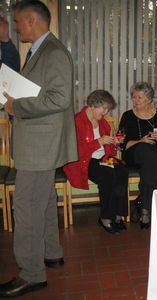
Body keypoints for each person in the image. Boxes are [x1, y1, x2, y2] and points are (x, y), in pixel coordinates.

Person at [0, 1, 77, 298]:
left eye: (18, 21)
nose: (17, 26)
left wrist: (15, 106)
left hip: (40, 144)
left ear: (32, 20)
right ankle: (51, 253)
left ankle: (31, 274)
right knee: (43, 199)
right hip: (40, 142)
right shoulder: (41, 50)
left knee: (26, 206)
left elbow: (59, 99)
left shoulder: (53, 52)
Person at [64, 90, 129, 234]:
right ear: (93, 105)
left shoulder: (103, 123)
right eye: (103, 108)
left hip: (102, 158)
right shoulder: (76, 121)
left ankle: (118, 215)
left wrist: (115, 143)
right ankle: (105, 218)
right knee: (107, 174)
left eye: (107, 109)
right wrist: (98, 141)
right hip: (84, 162)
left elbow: (109, 149)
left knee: (122, 170)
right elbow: (75, 151)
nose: (105, 112)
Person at [119, 82, 157, 229]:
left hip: (155, 158)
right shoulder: (127, 116)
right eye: (133, 97)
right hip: (133, 155)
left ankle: (145, 211)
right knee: (144, 147)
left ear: (148, 99)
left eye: (139, 98)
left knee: (149, 167)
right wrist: (140, 141)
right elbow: (121, 143)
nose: (134, 101)